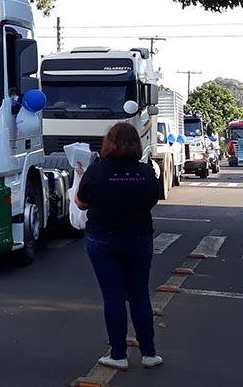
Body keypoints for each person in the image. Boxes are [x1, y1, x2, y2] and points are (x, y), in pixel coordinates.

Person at [75, 122, 163, 370]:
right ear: (137, 144)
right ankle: (149, 353)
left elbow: (81, 204)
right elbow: (151, 201)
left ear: (109, 143)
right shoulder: (146, 173)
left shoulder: (96, 172)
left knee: (113, 297)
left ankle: (118, 355)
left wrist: (82, 180)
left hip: (103, 239)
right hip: (138, 237)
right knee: (139, 294)